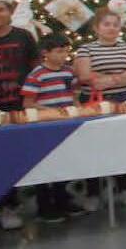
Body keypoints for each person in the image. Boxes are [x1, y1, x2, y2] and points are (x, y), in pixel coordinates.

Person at [74, 8, 126, 206]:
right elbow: (84, 75)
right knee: (93, 146)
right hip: (95, 102)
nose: (111, 28)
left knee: (123, 144)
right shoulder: (86, 49)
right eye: (106, 24)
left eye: (115, 25)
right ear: (96, 27)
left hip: (124, 99)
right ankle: (92, 193)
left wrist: (112, 80)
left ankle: (122, 188)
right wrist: (119, 77)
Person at [21, 34, 83, 223]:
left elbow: (73, 95)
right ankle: (45, 205)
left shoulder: (68, 72)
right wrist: (51, 111)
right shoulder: (37, 75)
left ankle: (62, 199)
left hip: (66, 124)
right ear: (45, 53)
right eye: (59, 51)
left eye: (66, 51)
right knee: (44, 164)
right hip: (46, 126)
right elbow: (28, 103)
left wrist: (77, 109)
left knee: (64, 163)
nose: (63, 55)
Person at [0, 0, 36, 230]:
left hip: (18, 108)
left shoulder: (23, 37)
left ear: (9, 12)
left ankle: (10, 206)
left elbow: (35, 69)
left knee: (12, 158)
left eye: (1, 9)